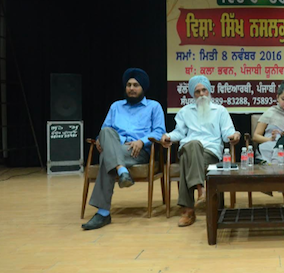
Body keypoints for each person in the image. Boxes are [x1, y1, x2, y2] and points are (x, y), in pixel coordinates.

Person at [82, 68, 165, 230]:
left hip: (136, 151)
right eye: (129, 85)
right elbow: (105, 130)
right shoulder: (116, 106)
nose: (132, 88)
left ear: (143, 88)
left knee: (106, 157)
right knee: (106, 133)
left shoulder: (154, 106)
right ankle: (121, 171)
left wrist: (142, 141)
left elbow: (159, 131)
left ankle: (103, 213)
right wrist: (100, 140)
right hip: (116, 147)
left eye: (136, 85)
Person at [161, 75, 241, 227]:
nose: (202, 94)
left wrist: (235, 134)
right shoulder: (185, 112)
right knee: (193, 145)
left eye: (204, 90)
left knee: (187, 159)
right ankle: (200, 189)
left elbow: (227, 133)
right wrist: (168, 136)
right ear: (193, 94)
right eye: (197, 91)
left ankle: (188, 211)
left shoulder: (220, 111)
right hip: (189, 148)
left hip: (210, 153)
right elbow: (179, 132)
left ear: (209, 91)